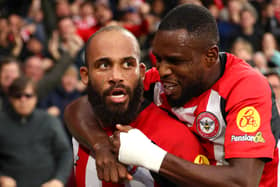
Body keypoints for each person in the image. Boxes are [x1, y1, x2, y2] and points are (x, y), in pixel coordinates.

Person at [65, 4, 280, 187]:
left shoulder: (246, 88)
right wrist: (100, 145)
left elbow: (243, 181)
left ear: (210, 56)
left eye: (175, 61)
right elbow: (82, 106)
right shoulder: (161, 80)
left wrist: (150, 156)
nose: (163, 70)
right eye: (159, 59)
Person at [65, 25, 207, 187]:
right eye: (104, 66)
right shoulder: (82, 125)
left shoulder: (176, 139)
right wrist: (100, 145)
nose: (116, 77)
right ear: (85, 75)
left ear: (141, 72)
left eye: (127, 64)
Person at [0, 76, 73, 187]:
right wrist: (1, 177)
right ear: (10, 98)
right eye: (18, 96)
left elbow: (65, 153)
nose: (23, 100)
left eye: (28, 95)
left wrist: (58, 180)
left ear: (36, 98)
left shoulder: (49, 121)